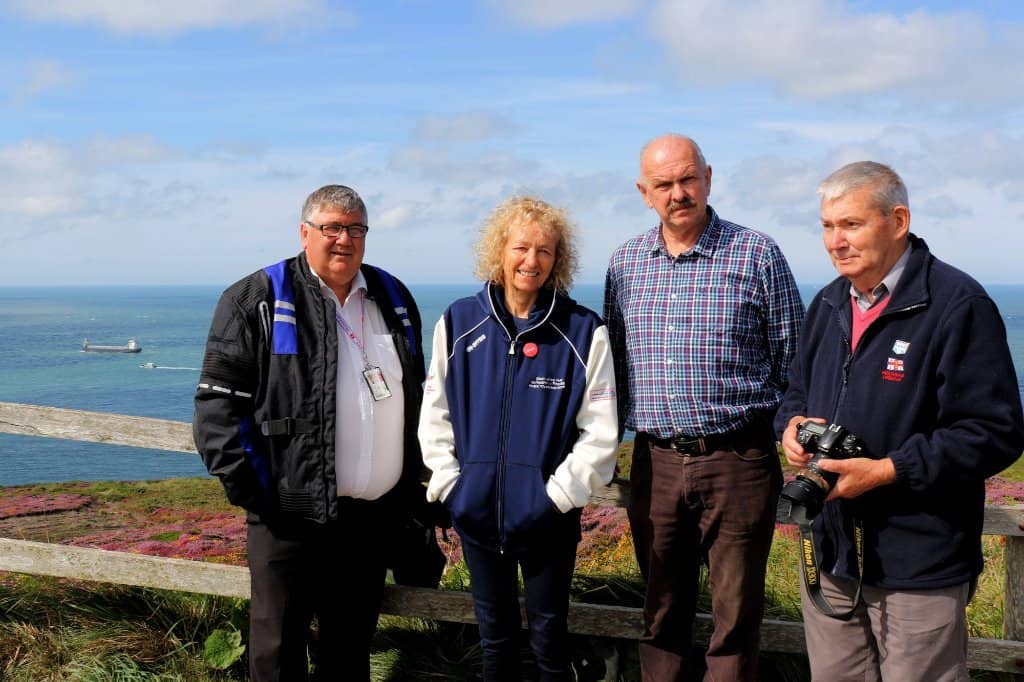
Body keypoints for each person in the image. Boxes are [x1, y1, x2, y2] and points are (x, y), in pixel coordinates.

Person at [776, 161, 1024, 681]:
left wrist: (888, 470)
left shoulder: (958, 305)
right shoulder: (826, 303)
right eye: (827, 226)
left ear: (898, 219)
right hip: (833, 552)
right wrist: (792, 426)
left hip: (919, 561)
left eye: (851, 224)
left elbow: (995, 432)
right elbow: (796, 389)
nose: (835, 241)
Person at [193, 184, 428, 681]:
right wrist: (262, 497)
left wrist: (415, 492)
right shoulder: (255, 297)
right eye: (332, 228)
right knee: (277, 652)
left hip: (370, 521)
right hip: (288, 516)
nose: (345, 239)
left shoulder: (392, 296)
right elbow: (217, 409)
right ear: (305, 233)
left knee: (348, 652)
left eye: (356, 228)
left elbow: (418, 395)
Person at [604, 134, 804, 681]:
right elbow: (615, 371)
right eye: (664, 184)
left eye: (687, 179)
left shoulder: (757, 254)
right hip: (655, 462)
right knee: (661, 610)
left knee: (735, 616)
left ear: (709, 177)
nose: (678, 193)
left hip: (737, 460)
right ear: (644, 193)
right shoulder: (625, 264)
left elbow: (796, 365)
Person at [418, 196, 619, 681]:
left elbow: (602, 429)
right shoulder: (461, 322)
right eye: (521, 248)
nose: (532, 261)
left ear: (558, 259)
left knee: (551, 641)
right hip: (478, 515)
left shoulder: (582, 330)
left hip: (549, 518)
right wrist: (452, 487)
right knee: (496, 641)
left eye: (545, 251)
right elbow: (435, 412)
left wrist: (557, 497)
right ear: (499, 251)